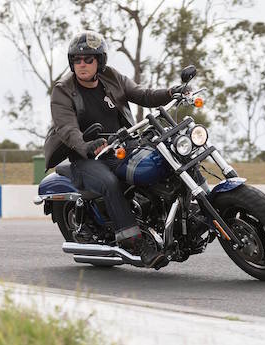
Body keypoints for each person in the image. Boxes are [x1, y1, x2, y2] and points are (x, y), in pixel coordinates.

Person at [44, 31, 184, 268]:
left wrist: (171, 92)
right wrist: (85, 146)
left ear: (100, 61)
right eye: (77, 60)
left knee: (164, 159)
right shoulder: (63, 89)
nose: (82, 64)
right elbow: (66, 128)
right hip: (86, 156)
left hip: (120, 146)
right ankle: (135, 242)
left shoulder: (111, 77)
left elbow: (143, 94)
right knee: (109, 183)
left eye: (88, 59)